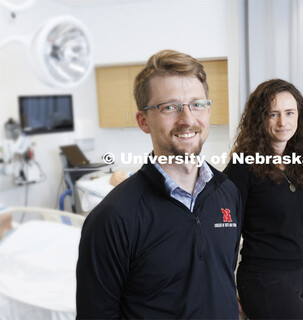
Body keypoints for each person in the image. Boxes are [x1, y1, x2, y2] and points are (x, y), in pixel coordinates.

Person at [76, 49, 242, 319]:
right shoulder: (113, 218)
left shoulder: (228, 193)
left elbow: (222, 276)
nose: (187, 119)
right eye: (169, 107)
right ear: (144, 121)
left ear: (208, 109)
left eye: (197, 104)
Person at [224, 79, 303, 319]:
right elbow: (224, 232)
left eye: (289, 113)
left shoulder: (299, 162)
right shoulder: (242, 166)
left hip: (299, 270)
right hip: (264, 276)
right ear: (259, 118)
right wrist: (227, 290)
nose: (282, 122)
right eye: (272, 114)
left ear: (300, 116)